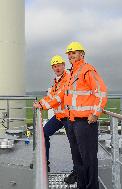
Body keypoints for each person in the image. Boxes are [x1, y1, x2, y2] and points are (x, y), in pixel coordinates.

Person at [63, 42, 107, 189]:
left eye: (74, 52)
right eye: (69, 53)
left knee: (88, 158)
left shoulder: (87, 70)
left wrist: (95, 113)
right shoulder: (72, 73)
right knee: (78, 158)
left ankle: (91, 186)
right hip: (72, 121)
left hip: (85, 122)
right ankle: (82, 185)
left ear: (82, 54)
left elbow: (101, 92)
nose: (70, 55)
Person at [34, 55, 76, 182]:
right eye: (54, 66)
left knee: (74, 144)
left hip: (69, 116)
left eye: (59, 65)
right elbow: (51, 95)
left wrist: (41, 105)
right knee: (44, 133)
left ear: (64, 65)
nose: (57, 68)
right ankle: (45, 163)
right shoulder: (57, 80)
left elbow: (58, 98)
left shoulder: (68, 78)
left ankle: (77, 172)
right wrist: (40, 103)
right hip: (59, 117)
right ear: (52, 68)